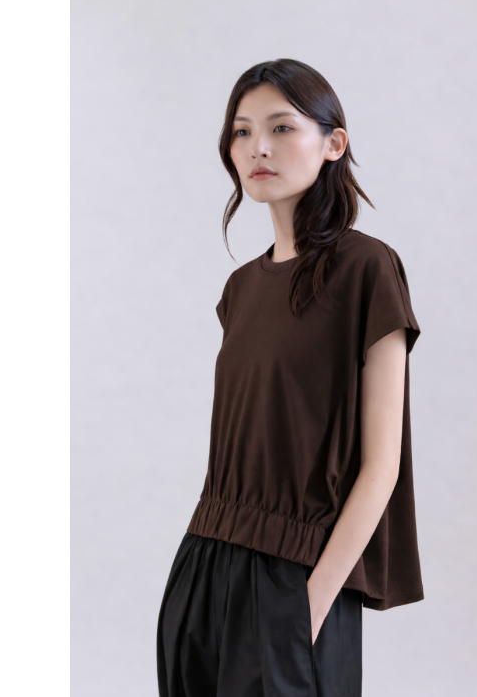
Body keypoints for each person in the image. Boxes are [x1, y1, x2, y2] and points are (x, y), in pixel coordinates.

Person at [157, 58, 424, 697]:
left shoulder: (366, 269)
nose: (258, 147)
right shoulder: (241, 289)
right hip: (204, 561)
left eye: (281, 127)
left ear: (334, 143)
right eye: (242, 131)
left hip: (296, 576)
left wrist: (311, 604)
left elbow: (381, 467)